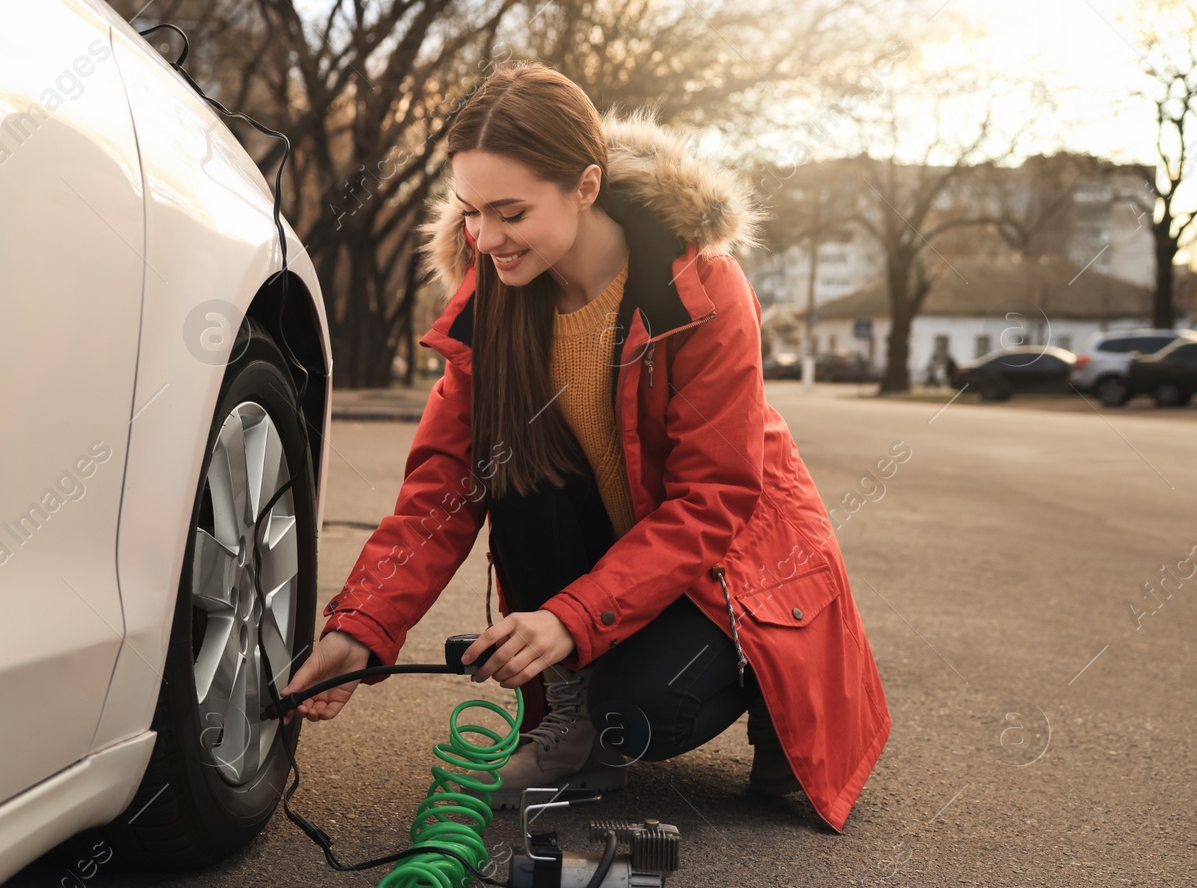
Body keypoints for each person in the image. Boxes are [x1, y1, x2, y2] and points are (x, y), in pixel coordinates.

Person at [280, 63, 890, 833]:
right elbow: (442, 489)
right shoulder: (491, 299)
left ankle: (764, 680)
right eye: (471, 212)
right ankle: (575, 710)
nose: (485, 238)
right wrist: (360, 627)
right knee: (511, 474)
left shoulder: (701, 287)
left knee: (642, 711)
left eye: (510, 211)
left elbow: (713, 502)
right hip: (616, 548)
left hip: (727, 563)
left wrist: (569, 618)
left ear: (587, 186)